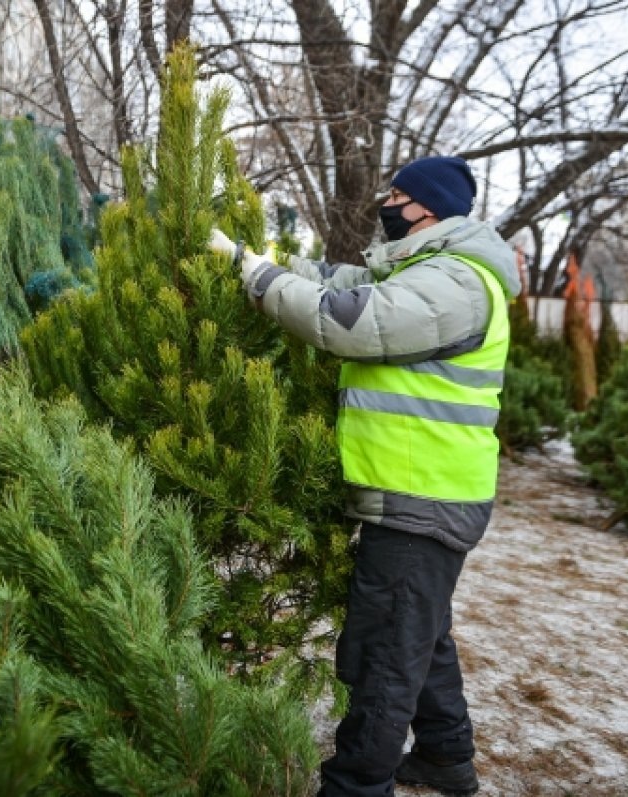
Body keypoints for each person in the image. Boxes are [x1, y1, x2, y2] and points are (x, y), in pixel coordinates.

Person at [209, 156, 521, 797]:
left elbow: (346, 319)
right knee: (420, 634)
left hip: (422, 494)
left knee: (383, 656)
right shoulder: (425, 269)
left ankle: (356, 786)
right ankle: (444, 757)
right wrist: (242, 251)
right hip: (420, 491)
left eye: (397, 195)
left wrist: (256, 278)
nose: (387, 203)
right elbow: (334, 279)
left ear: (428, 210)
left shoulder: (456, 282)